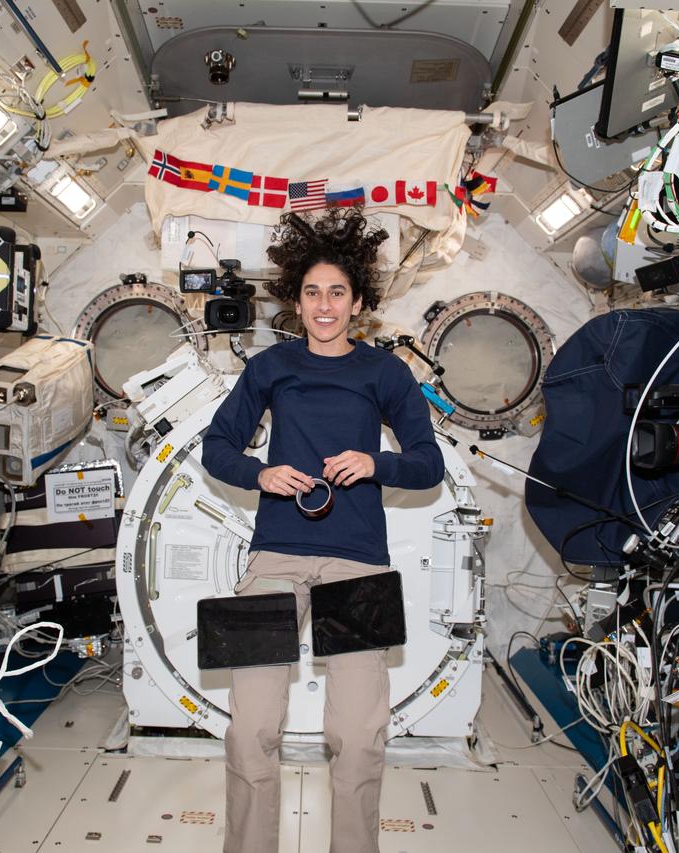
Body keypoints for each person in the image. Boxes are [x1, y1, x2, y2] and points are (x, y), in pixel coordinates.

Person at [201, 207, 445, 853]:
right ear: (296, 299)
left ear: (359, 300)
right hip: (275, 555)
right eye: (312, 291)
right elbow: (218, 446)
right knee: (251, 728)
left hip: (358, 561)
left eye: (338, 291)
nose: (325, 303)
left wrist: (375, 462)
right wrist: (260, 474)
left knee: (359, 734)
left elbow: (428, 464)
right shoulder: (271, 367)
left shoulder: (385, 373)